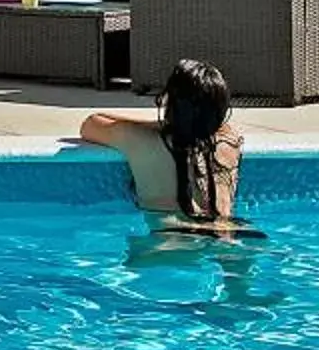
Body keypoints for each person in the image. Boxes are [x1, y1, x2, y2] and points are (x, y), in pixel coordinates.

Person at [80, 58, 251, 233]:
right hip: (226, 232)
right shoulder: (230, 142)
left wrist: (165, 123)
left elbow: (91, 124)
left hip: (168, 243)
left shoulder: (138, 139)